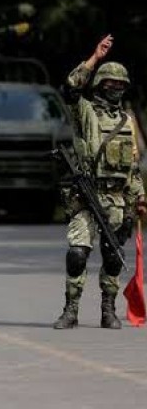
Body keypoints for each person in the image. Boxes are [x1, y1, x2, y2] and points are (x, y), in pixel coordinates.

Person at [53, 34, 146, 329]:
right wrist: (94, 59)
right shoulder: (86, 112)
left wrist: (139, 199)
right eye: (110, 83)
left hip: (117, 199)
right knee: (77, 253)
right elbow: (69, 89)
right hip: (87, 196)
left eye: (121, 85)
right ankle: (71, 309)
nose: (116, 88)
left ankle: (109, 308)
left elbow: (132, 166)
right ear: (99, 85)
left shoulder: (128, 121)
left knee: (114, 256)